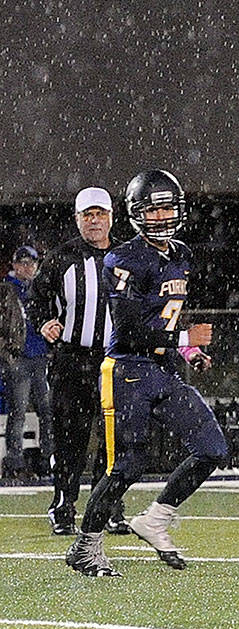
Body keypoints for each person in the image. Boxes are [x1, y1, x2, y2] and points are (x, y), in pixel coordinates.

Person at [65, 169, 227, 578]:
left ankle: (155, 519)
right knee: (126, 467)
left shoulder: (181, 254)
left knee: (211, 446)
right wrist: (186, 335)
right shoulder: (123, 258)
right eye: (152, 209)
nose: (161, 216)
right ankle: (86, 547)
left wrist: (188, 349)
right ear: (137, 214)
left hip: (162, 368)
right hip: (126, 371)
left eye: (168, 207)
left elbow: (166, 314)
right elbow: (131, 327)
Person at [33, 187, 129, 534]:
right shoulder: (61, 258)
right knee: (68, 438)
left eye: (100, 214)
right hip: (72, 360)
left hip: (114, 360)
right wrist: (44, 321)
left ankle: (108, 506)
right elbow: (37, 298)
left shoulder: (127, 256)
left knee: (114, 439)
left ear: (111, 217)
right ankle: (63, 505)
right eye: (87, 215)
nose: (94, 221)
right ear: (77, 219)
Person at [2, 246, 51, 480]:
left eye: (31, 263)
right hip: (20, 358)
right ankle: (15, 461)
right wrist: (8, 354)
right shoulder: (6, 290)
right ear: (14, 265)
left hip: (40, 356)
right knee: (19, 412)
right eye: (22, 263)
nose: (27, 267)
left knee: (47, 412)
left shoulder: (40, 289)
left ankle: (48, 459)